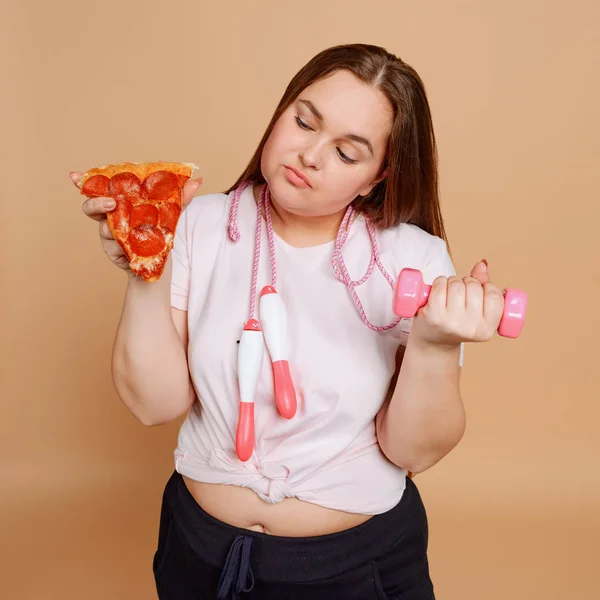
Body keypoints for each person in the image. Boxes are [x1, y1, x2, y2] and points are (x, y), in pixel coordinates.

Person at [72, 43, 504, 600]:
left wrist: (436, 345)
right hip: (199, 553)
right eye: (303, 122)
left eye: (348, 154)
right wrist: (145, 266)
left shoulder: (411, 259)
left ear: (378, 177)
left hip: (353, 571)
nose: (310, 155)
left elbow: (412, 452)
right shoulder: (198, 225)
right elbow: (152, 405)